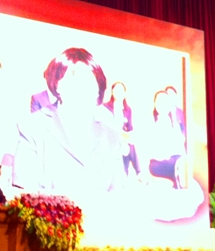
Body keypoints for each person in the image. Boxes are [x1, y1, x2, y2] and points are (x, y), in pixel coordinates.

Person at [12, 48, 123, 197]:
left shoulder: (111, 135)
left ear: (98, 89)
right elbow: (24, 195)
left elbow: (118, 195)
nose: (82, 85)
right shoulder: (33, 126)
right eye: (74, 76)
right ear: (57, 84)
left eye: (89, 79)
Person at [103, 81, 141, 177]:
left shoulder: (128, 109)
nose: (119, 93)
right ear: (112, 92)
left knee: (130, 146)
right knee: (126, 148)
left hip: (123, 141)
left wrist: (128, 137)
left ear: (124, 93)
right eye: (116, 90)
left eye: (121, 90)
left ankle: (134, 172)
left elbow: (130, 127)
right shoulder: (106, 107)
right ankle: (138, 171)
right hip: (111, 139)